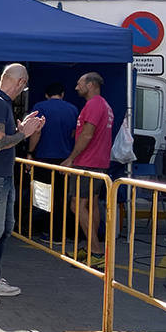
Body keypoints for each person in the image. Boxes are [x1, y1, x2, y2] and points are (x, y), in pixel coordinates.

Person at [0, 64, 45, 306]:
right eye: (24, 85)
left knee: (3, 228)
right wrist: (25, 133)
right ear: (20, 82)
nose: (23, 90)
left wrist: (22, 129)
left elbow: (1, 140)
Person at [62, 72, 114, 264]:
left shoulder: (94, 104)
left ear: (91, 85)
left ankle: (97, 251)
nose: (76, 88)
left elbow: (87, 134)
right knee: (91, 205)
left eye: (79, 84)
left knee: (77, 205)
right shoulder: (104, 105)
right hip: (99, 162)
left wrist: (71, 159)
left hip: (87, 162)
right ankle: (89, 247)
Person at [28, 82, 79, 237]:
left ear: (46, 95)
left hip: (43, 158)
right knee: (62, 197)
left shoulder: (40, 107)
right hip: (65, 160)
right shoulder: (73, 109)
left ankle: (44, 230)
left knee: (43, 197)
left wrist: (30, 152)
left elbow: (36, 133)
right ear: (62, 94)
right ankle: (59, 233)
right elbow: (74, 133)